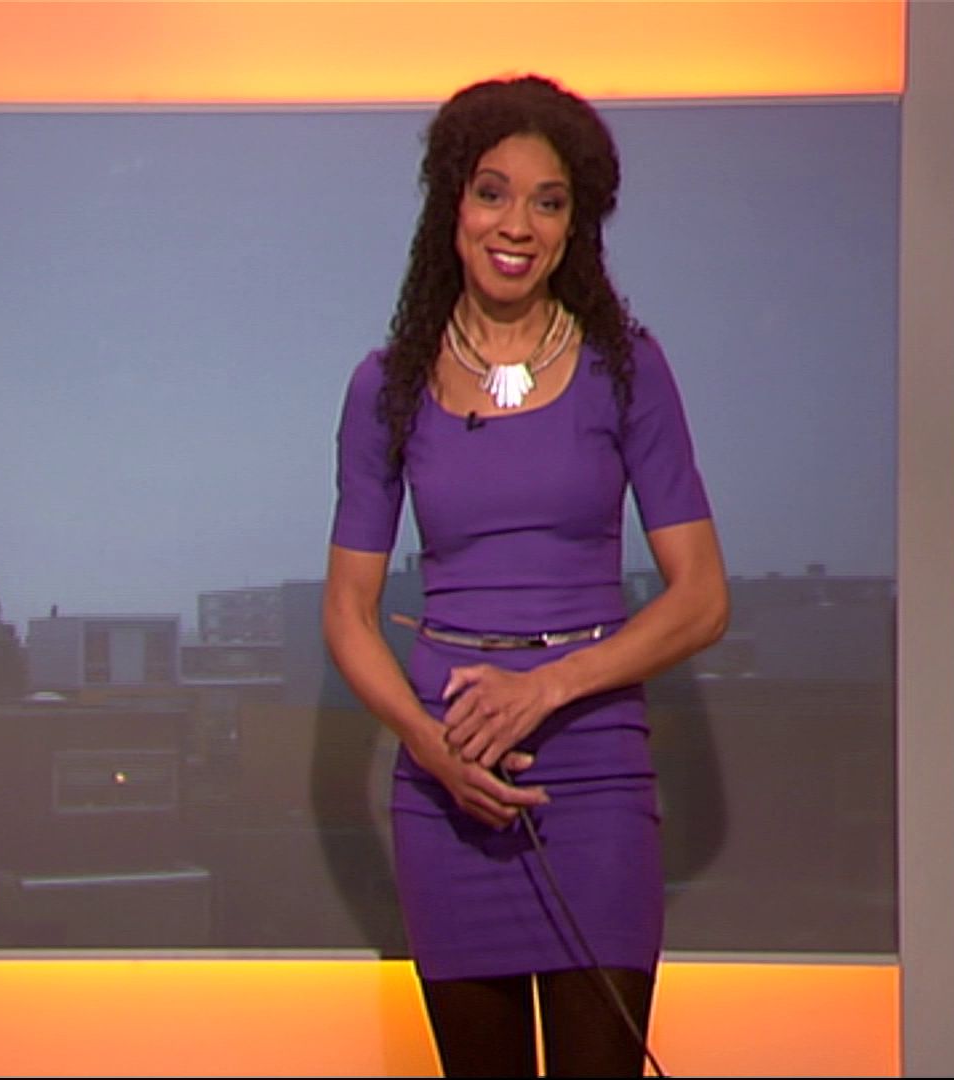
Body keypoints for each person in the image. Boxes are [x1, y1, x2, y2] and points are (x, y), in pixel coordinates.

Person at [322, 75, 729, 1078]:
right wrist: (430, 744)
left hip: (593, 776)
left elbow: (701, 599)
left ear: (575, 222)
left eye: (548, 202)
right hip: (450, 780)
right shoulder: (387, 386)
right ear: (452, 204)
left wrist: (545, 689)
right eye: (492, 193)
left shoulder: (626, 369)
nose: (517, 225)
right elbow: (347, 615)